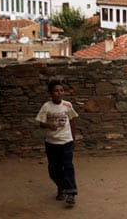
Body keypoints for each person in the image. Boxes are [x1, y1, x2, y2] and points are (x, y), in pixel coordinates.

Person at [35, 79, 78, 207]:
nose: (59, 93)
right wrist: (48, 124)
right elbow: (41, 123)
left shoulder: (68, 105)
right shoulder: (46, 106)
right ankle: (62, 188)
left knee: (68, 166)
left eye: (61, 90)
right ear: (50, 93)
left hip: (66, 141)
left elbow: (73, 120)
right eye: (56, 91)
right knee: (54, 169)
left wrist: (73, 138)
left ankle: (71, 194)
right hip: (51, 142)